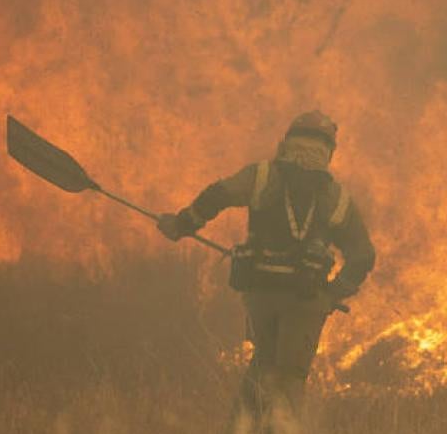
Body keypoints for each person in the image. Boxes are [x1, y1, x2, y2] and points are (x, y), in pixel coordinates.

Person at [156, 110, 375, 417]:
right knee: (289, 381)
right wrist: (333, 293)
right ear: (329, 150)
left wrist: (182, 224)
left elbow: (218, 195)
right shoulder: (336, 197)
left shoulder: (262, 175)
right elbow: (363, 255)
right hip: (305, 302)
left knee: (262, 367)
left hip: (261, 296)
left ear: (287, 142)